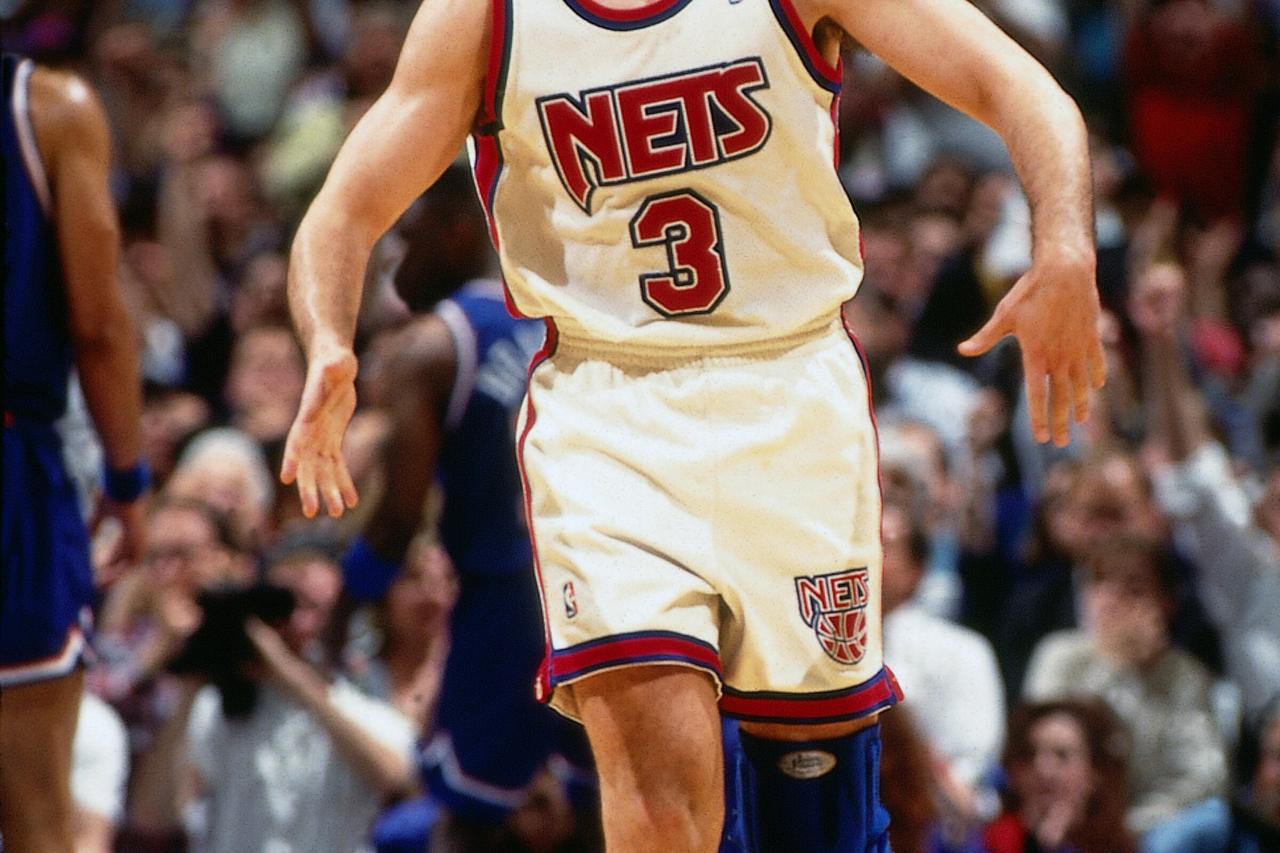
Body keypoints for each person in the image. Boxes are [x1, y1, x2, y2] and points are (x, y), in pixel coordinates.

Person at [280, 0, 1104, 847]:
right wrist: (327, 342)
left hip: (790, 393)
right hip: (608, 408)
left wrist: (1067, 244)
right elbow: (342, 210)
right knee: (656, 792)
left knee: (814, 809)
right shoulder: (485, 15)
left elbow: (1021, 88)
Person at [341, 164, 594, 850]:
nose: (395, 256)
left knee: (469, 821)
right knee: (596, 812)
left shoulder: (435, 345)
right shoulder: (579, 321)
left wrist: (344, 602)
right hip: (597, 596)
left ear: (458, 231)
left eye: (408, 234)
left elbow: (397, 522)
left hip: (505, 604)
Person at [1, 54, 148, 853]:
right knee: (38, 817)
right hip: (14, 475)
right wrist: (128, 478)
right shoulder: (50, 107)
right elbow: (98, 326)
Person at [984, 699, 1137, 853]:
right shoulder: (988, 841)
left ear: (1094, 772)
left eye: (1062, 755)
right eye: (1030, 755)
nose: (1043, 769)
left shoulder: (1119, 846)